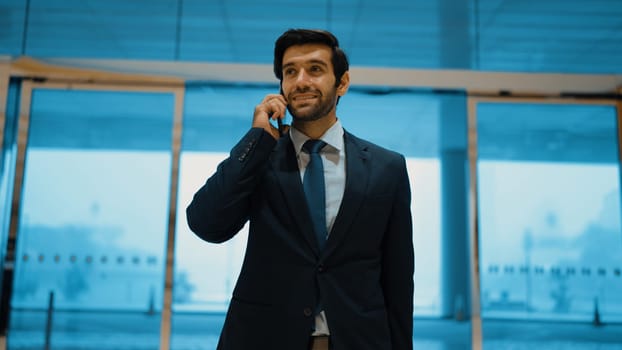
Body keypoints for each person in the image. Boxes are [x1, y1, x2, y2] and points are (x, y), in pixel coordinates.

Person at [186, 28, 414, 350]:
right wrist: (256, 138)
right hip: (263, 339)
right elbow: (206, 224)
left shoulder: (386, 168)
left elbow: (398, 278)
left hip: (359, 340)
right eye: (290, 72)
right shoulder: (260, 158)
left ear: (343, 83)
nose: (301, 81)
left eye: (315, 69)